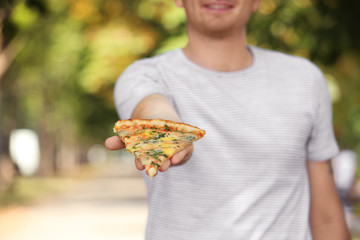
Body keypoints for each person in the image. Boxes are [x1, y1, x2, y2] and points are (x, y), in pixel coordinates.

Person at [105, 0, 350, 239]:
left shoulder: (305, 79)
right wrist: (170, 133)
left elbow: (326, 217)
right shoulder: (145, 74)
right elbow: (152, 106)